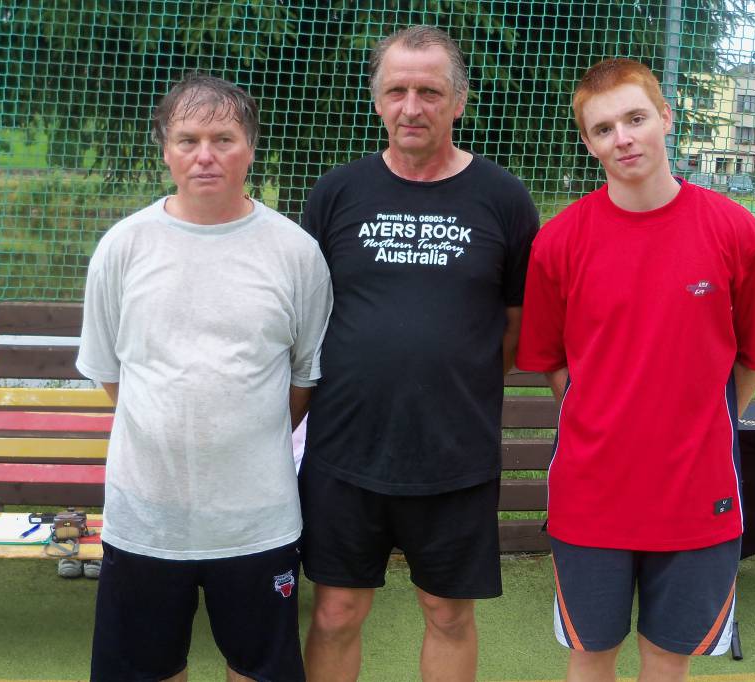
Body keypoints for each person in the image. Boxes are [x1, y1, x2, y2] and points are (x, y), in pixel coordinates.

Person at [515, 58, 755, 681]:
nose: (623, 138)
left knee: (666, 661)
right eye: (603, 128)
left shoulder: (734, 229)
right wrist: (605, 418)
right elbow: (551, 363)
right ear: (589, 143)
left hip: (697, 493)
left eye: (635, 118)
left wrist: (699, 423)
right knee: (591, 656)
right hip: (591, 496)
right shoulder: (559, 241)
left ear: (665, 117)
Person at [299, 25, 539, 682]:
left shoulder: (504, 198)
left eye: (429, 92)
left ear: (458, 101)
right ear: (377, 100)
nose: (412, 107)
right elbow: (306, 316)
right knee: (336, 613)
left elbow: (515, 327)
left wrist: (448, 378)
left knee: (448, 613)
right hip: (345, 449)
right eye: (397, 91)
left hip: (454, 453)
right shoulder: (336, 193)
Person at [76, 74, 332, 682]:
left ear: (250, 148)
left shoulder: (296, 253)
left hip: (256, 520)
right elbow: (111, 374)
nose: (205, 155)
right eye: (188, 140)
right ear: (166, 150)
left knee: (260, 669)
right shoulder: (123, 248)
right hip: (146, 519)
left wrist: (238, 434)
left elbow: (304, 378)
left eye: (224, 139)